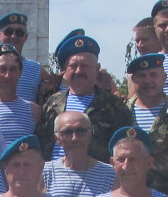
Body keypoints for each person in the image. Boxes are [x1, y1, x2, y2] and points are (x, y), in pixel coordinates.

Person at [38, 30, 133, 162]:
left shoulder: (113, 106)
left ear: (96, 68)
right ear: (65, 69)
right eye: (73, 66)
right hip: (54, 179)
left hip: (96, 179)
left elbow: (125, 148)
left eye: (85, 66)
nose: (78, 71)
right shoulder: (51, 104)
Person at [125, 54, 168, 197]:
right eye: (141, 76)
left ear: (165, 77)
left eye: (153, 75)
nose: (148, 80)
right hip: (128, 193)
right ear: (134, 80)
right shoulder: (121, 110)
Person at [44, 111, 116, 197]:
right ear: (57, 138)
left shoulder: (110, 174)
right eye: (67, 132)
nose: (75, 138)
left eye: (81, 131)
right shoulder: (45, 172)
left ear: (90, 135)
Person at [0, 43, 39, 156]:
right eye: (2, 69)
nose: (7, 75)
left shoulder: (33, 110)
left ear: (20, 73)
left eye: (13, 69)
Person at [0, 12, 44, 104]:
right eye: (8, 32)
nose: (13, 36)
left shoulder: (36, 68)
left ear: (26, 37)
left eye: (19, 33)